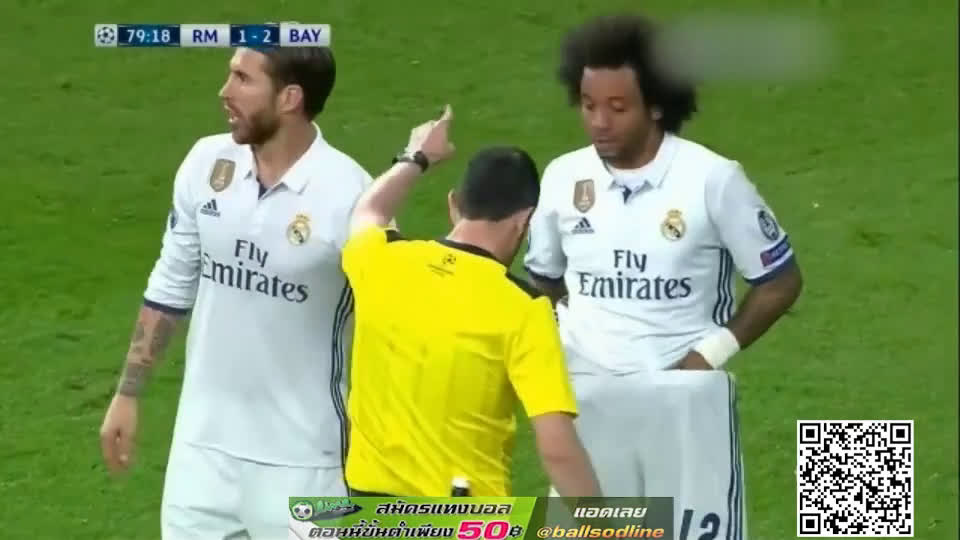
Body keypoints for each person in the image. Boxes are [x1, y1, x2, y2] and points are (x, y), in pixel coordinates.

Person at [524, 14, 803, 539]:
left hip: (682, 401)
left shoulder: (712, 180)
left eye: (617, 107)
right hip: (588, 401)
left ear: (655, 104)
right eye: (588, 105)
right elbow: (543, 278)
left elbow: (780, 280)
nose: (599, 122)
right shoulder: (563, 177)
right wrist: (564, 341)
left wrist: (707, 355)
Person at [98, 46, 373, 540]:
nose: (224, 92)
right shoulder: (208, 162)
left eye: (243, 80)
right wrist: (128, 393)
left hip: (304, 459)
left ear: (289, 98)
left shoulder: (351, 196)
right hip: (201, 452)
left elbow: (389, 324)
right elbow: (171, 282)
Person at [340, 105, 601, 497]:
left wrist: (417, 157)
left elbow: (369, 210)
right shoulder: (524, 308)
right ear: (524, 220)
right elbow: (557, 449)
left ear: (453, 205)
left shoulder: (380, 261)